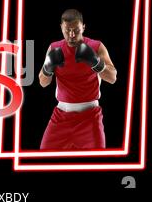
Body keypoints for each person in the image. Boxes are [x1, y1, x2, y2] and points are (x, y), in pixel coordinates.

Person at [39, 9, 117, 150]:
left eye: (76, 30)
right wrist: (48, 67)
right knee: (43, 159)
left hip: (90, 117)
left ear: (83, 27)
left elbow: (112, 77)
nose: (72, 35)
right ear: (61, 28)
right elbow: (43, 82)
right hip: (61, 116)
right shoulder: (54, 48)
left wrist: (96, 62)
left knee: (97, 163)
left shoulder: (96, 46)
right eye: (67, 30)